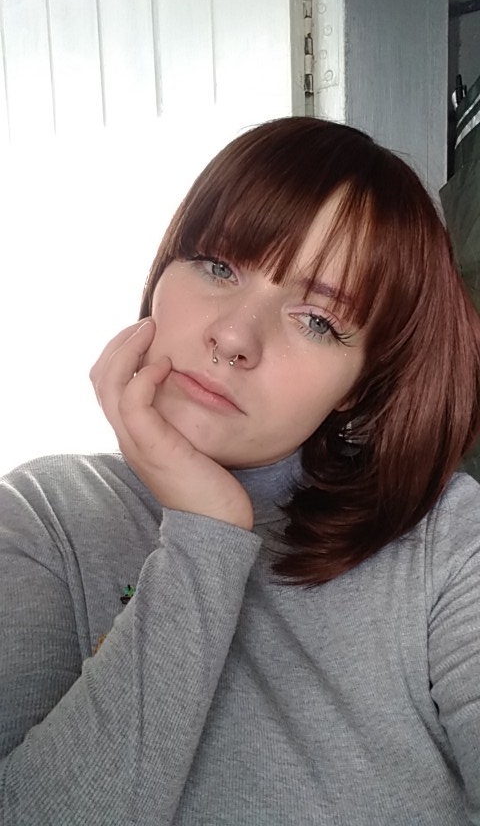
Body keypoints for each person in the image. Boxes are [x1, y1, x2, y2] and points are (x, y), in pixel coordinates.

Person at [1, 116, 480, 826]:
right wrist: (205, 535)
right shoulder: (41, 515)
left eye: (317, 320)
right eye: (218, 266)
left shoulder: (442, 538)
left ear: (357, 386)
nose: (232, 336)